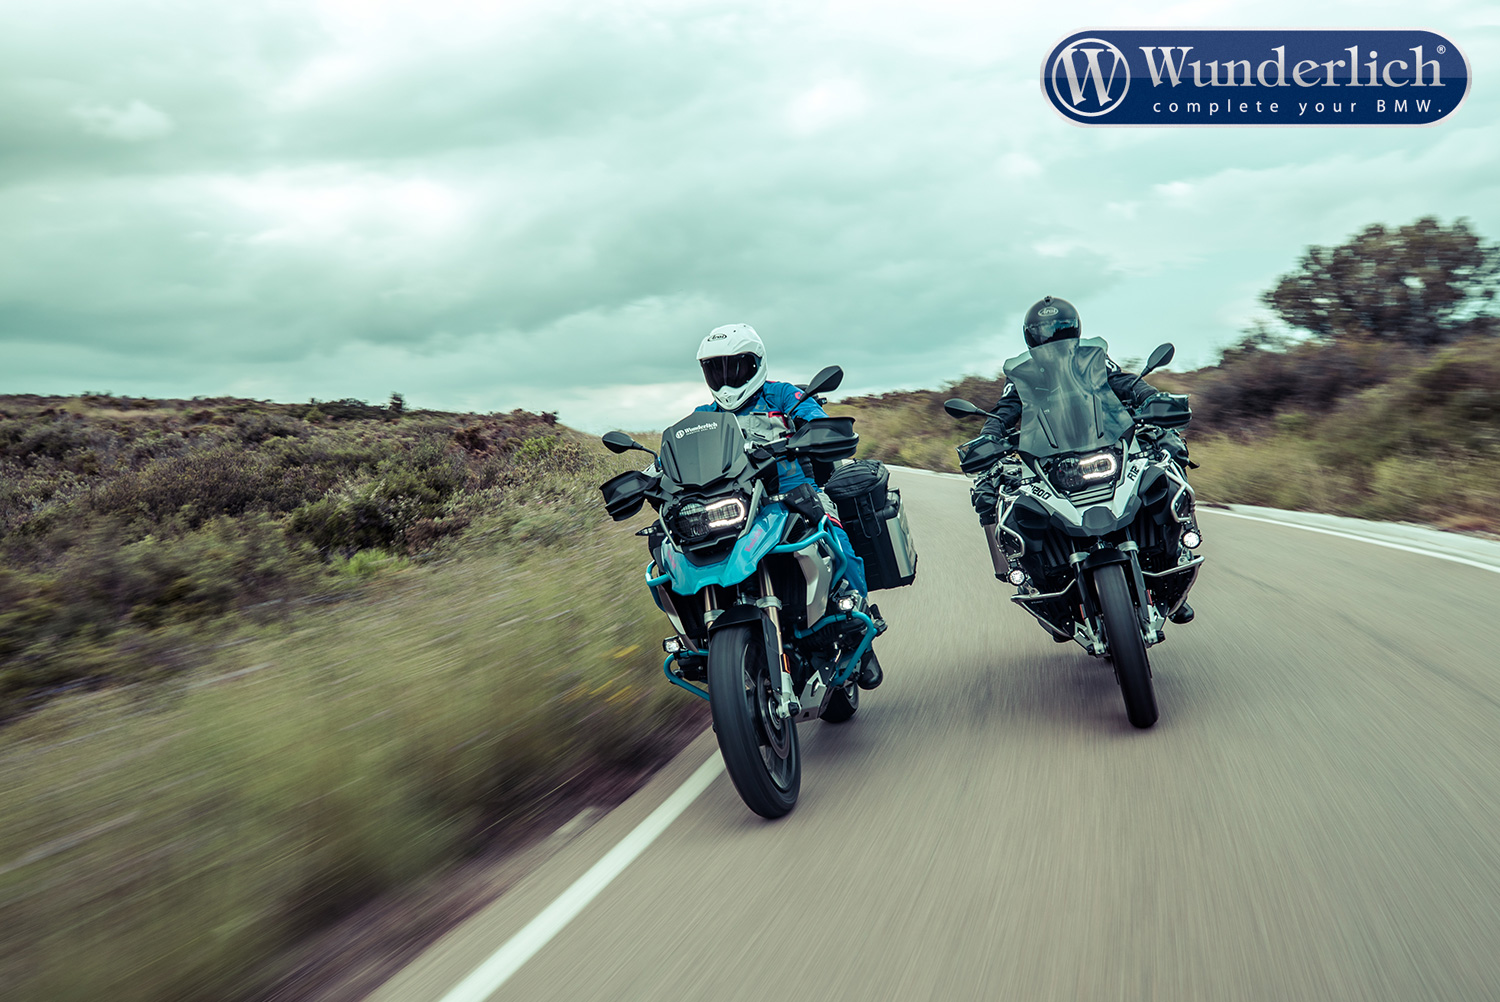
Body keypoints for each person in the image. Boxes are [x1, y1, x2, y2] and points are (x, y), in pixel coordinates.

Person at [965, 296, 1194, 624]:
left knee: (1168, 450)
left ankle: (1178, 551)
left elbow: (1123, 382)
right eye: (1045, 329)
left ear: (1072, 328)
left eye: (1058, 327)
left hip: (1105, 442)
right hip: (1051, 457)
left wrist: (1151, 398)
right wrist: (989, 437)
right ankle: (1032, 580)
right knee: (992, 490)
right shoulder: (1023, 376)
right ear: (1032, 335)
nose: (1051, 334)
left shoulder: (1093, 360)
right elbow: (1005, 411)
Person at [696, 323, 886, 688]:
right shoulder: (705, 415)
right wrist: (655, 470)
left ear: (755, 364)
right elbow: (681, 456)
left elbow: (817, 421)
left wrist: (812, 432)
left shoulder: (782, 395)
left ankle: (859, 633)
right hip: (739, 507)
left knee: (836, 540)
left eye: (734, 367)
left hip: (796, 495)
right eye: (715, 369)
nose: (725, 378)